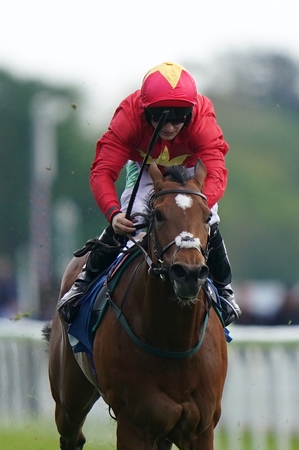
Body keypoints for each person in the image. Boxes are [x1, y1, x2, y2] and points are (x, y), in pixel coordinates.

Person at [56, 61, 241, 327]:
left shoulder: (203, 120)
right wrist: (113, 213)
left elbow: (216, 172)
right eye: (160, 116)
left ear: (191, 112)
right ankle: (83, 284)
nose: (169, 126)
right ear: (144, 111)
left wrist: (196, 208)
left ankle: (224, 290)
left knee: (208, 218)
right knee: (132, 218)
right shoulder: (128, 116)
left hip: (190, 167)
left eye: (179, 117)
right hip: (146, 165)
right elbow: (102, 172)